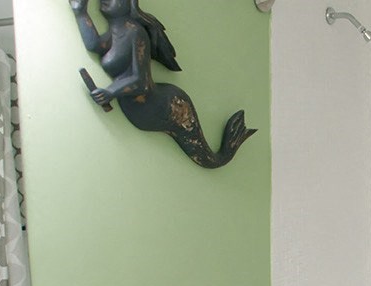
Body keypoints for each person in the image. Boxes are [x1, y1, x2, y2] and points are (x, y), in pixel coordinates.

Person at [69, 0, 255, 168]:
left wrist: (110, 92)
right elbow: (94, 46)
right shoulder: (116, 32)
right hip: (141, 110)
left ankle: (226, 151)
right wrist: (81, 12)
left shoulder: (135, 32)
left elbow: (141, 82)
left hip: (168, 107)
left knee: (204, 154)